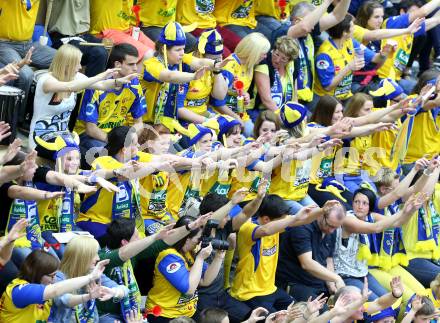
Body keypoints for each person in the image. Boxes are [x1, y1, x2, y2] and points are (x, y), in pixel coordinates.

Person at [28, 44, 136, 155]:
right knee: (77, 156)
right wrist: (100, 76)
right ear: (67, 65)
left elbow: (102, 85)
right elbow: (70, 87)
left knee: (95, 157)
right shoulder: (46, 80)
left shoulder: (77, 77)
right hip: (41, 137)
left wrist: (119, 81)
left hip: (64, 137)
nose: (80, 67)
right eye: (77, 63)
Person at [229, 194, 327, 313]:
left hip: (271, 289)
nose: (285, 222)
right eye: (282, 220)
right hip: (249, 293)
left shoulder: (278, 224)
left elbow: (304, 219)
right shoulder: (248, 228)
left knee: (304, 314)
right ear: (266, 219)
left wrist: (323, 210)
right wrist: (293, 218)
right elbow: (266, 230)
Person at [333, 188, 424, 301]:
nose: (360, 206)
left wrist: (410, 211)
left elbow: (397, 223)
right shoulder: (347, 219)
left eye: (365, 203)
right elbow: (375, 228)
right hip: (346, 275)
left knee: (392, 302)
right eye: (357, 202)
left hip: (363, 272)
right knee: (378, 303)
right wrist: (402, 211)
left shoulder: (371, 217)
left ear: (370, 206)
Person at [145, 216, 224, 322]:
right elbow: (189, 290)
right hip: (164, 314)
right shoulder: (169, 257)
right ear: (187, 239)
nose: (199, 242)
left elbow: (205, 281)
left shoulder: (189, 252)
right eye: (198, 239)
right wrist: (200, 258)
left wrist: (219, 257)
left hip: (187, 312)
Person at [75, 43, 147, 155]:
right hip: (90, 136)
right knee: (112, 156)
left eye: (136, 64)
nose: (135, 68)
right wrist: (118, 143)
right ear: (117, 64)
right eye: (131, 64)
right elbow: (91, 129)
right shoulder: (97, 86)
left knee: (139, 156)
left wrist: (131, 139)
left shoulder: (134, 84)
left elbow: (139, 123)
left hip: (119, 137)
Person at [0, 249, 109, 321]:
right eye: (51, 276)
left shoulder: (43, 288)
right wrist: (90, 277)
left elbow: (66, 299)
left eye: (55, 275)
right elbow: (55, 291)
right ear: (37, 273)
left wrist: (88, 296)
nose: (54, 280)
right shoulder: (20, 291)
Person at [314, 14, 390, 104]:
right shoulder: (324, 54)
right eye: (353, 26)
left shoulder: (350, 42)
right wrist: (349, 67)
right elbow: (327, 86)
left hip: (346, 95)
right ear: (344, 32)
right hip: (328, 101)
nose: (355, 29)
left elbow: (375, 58)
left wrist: (385, 53)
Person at [51, 236, 128, 322]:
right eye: (94, 254)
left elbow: (124, 290)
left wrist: (113, 292)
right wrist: (88, 296)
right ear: (82, 257)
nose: (98, 258)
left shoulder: (91, 272)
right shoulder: (58, 277)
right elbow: (64, 300)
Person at [0, 1, 56, 119]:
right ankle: (16, 120)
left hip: (28, 44)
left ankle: (46, 115)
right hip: (5, 43)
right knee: (26, 74)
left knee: (63, 60)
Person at [219, 32, 271, 136]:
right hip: (225, 114)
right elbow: (217, 102)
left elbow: (241, 92)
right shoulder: (229, 66)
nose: (265, 57)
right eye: (263, 53)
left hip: (241, 113)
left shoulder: (249, 66)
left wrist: (245, 96)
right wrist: (236, 117)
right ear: (254, 52)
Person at [48, 0, 108, 77]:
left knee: (114, 49)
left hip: (83, 35)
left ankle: (101, 86)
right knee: (99, 52)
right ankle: (91, 87)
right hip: (64, 37)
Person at [89, 0, 155, 62]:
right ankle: (132, 74)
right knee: (148, 55)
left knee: (159, 52)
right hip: (106, 33)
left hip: (128, 30)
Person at [254, 36, 299, 111]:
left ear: (289, 60)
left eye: (283, 59)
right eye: (277, 54)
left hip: (284, 110)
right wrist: (282, 119)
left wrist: (297, 114)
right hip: (263, 111)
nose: (277, 60)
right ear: (273, 50)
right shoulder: (264, 65)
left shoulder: (292, 67)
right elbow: (266, 100)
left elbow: (294, 98)